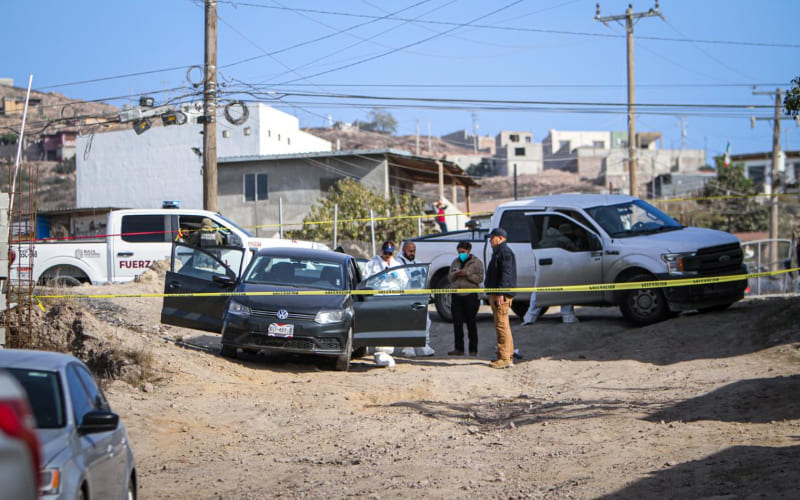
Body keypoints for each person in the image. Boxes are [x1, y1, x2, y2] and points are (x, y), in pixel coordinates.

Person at [523, 222, 579, 325]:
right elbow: (575, 250)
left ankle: (530, 317)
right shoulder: (564, 240)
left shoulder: (545, 239)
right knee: (566, 291)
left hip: (544, 268)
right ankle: (568, 317)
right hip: (561, 269)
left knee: (538, 292)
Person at [394, 240, 435, 357]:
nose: (412, 253)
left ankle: (423, 345)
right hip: (405, 297)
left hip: (419, 297)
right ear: (403, 250)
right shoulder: (397, 263)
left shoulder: (419, 263)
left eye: (414, 251)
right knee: (407, 322)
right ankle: (407, 346)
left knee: (425, 321)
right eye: (410, 251)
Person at [485, 227, 517, 369]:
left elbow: (506, 273)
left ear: (501, 238)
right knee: (503, 325)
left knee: (501, 325)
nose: (490, 240)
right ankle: (506, 355)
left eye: (493, 237)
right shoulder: (498, 252)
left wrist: (501, 292)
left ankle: (504, 358)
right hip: (497, 293)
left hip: (501, 295)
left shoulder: (504, 252)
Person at [447, 241, 484, 356]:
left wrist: (467, 274)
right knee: (457, 323)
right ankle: (459, 349)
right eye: (459, 252)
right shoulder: (455, 262)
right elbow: (449, 277)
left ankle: (473, 350)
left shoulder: (476, 263)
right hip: (457, 295)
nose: (460, 254)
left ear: (469, 251)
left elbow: (480, 278)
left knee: (471, 323)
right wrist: (455, 274)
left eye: (463, 252)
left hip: (470, 295)